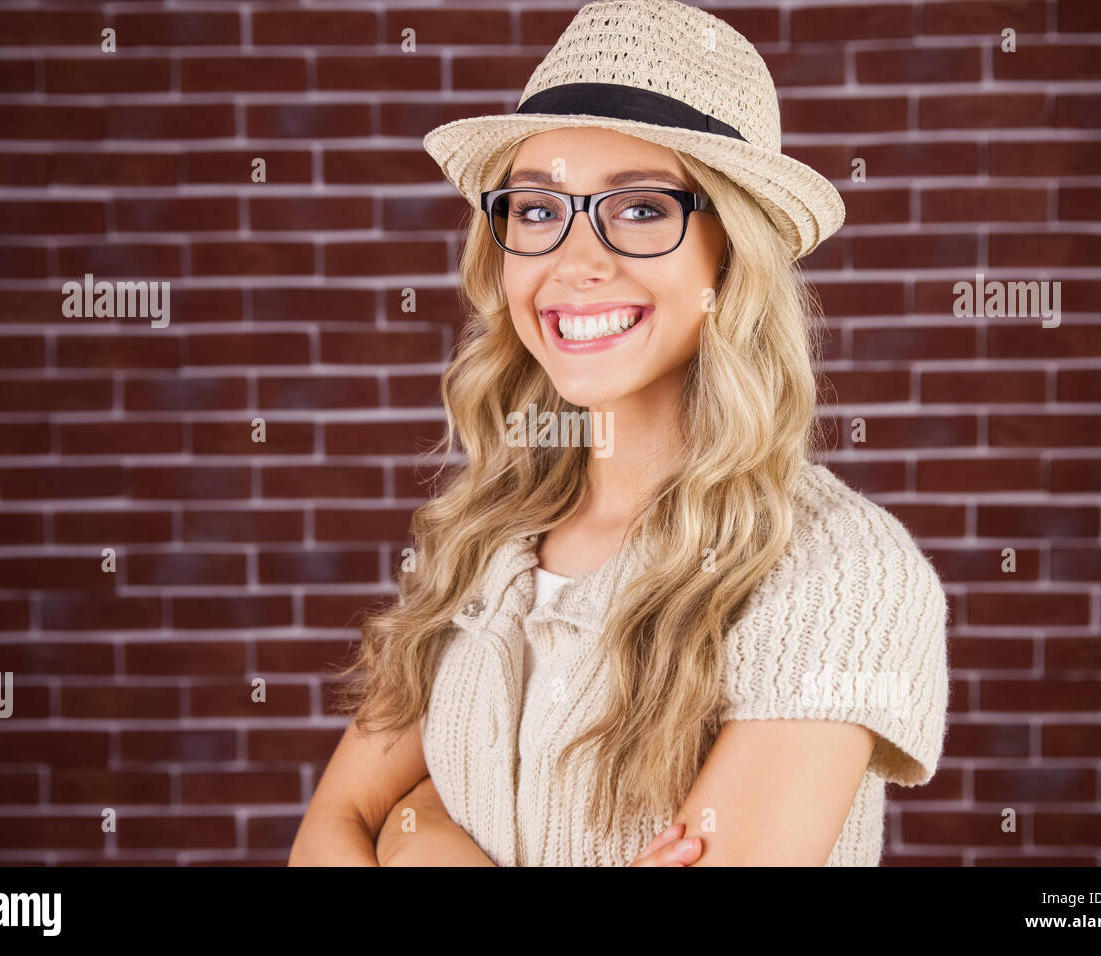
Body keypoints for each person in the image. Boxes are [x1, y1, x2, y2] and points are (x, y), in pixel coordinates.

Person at [290, 0, 949, 867]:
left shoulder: (841, 573)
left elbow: (378, 832)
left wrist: (423, 842)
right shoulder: (486, 536)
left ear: (730, 254)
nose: (574, 260)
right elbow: (328, 832)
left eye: (639, 210)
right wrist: (416, 832)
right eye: (536, 210)